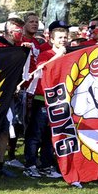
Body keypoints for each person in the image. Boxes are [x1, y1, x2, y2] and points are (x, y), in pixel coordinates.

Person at [22, 27, 70, 179]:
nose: (63, 40)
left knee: (50, 136)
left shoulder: (69, 56)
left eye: (65, 37)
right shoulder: (46, 54)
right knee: (35, 134)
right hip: (42, 100)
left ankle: (46, 166)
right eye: (60, 37)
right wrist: (59, 55)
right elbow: (43, 68)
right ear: (52, 40)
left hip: (59, 101)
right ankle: (30, 165)